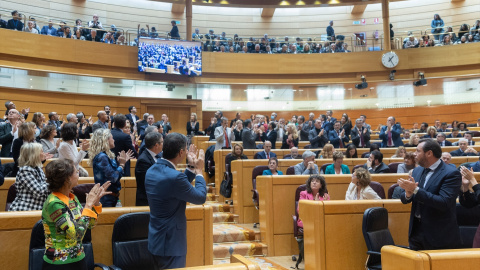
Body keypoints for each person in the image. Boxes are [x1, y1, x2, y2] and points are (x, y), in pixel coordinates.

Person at [145, 133, 207, 269]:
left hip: (155, 239)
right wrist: (199, 172)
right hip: (171, 244)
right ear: (181, 152)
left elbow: (175, 188)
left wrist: (190, 167)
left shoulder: (151, 171)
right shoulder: (175, 178)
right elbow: (200, 197)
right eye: (185, 149)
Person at [41, 159, 110, 269]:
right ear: (67, 179)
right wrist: (88, 205)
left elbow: (89, 225)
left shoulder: (72, 198)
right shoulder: (54, 203)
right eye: (76, 172)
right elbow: (76, 235)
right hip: (59, 264)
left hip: (78, 259)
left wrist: (95, 204)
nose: (79, 173)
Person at [398, 138, 462, 250]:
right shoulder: (417, 170)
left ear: (429, 153)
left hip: (439, 235)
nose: (414, 154)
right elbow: (405, 199)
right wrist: (408, 194)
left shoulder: (451, 173)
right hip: (416, 231)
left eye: (418, 151)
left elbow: (444, 202)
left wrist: (415, 190)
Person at [89, 128, 134, 207]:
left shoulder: (107, 156)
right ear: (105, 140)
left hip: (111, 196)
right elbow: (113, 178)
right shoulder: (102, 157)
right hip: (106, 198)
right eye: (112, 138)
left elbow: (116, 175)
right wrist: (122, 165)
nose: (114, 140)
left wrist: (121, 164)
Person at [9, 143, 49, 211]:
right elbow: (38, 191)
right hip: (25, 209)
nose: (44, 153)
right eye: (42, 151)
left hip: (38, 208)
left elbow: (45, 186)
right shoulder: (25, 170)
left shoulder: (38, 168)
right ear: (34, 155)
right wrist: (54, 181)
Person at [135, 132, 163, 206]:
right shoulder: (143, 160)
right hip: (146, 201)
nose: (163, 144)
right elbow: (148, 183)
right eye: (162, 142)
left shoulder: (159, 156)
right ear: (156, 145)